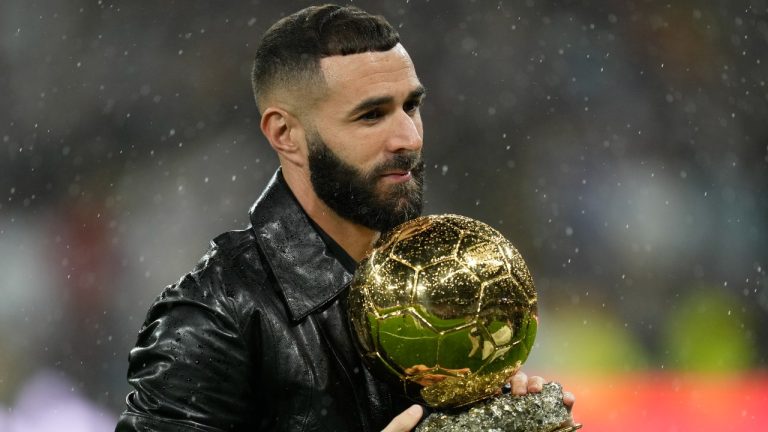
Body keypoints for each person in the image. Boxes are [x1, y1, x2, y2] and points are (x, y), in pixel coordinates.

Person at [116, 4, 575, 431]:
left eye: (411, 106)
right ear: (285, 133)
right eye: (371, 115)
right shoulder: (214, 317)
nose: (408, 138)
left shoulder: (452, 280)